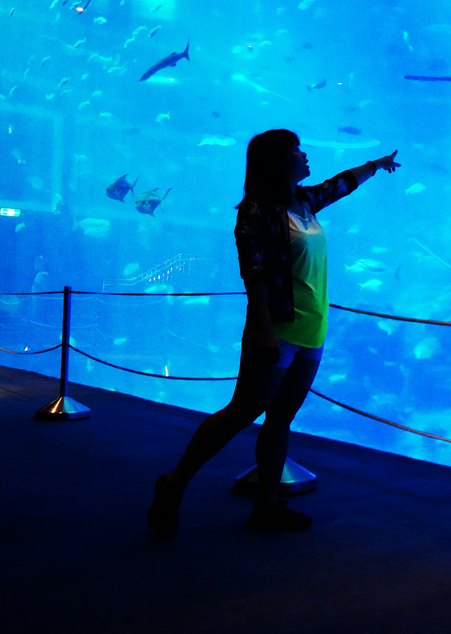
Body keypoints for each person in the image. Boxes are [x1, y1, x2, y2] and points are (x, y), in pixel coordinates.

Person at [148, 129, 400, 536]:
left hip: (312, 329)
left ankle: (266, 506)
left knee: (282, 418)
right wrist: (263, 329)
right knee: (241, 412)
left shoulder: (305, 201)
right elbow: (255, 273)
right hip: (277, 330)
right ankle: (173, 483)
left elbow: (342, 184)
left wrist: (375, 165)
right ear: (277, 161)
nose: (304, 156)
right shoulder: (256, 211)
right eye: (295, 151)